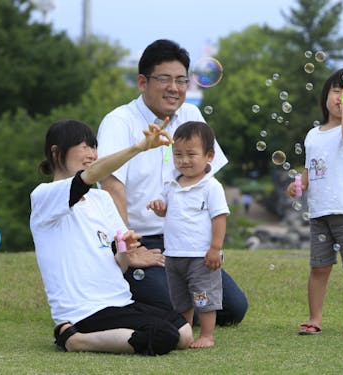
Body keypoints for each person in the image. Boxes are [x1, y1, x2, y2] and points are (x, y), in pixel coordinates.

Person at [96, 39, 248, 325]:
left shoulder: (190, 115)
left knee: (233, 308)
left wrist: (210, 243)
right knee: (175, 307)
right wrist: (129, 247)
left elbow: (206, 179)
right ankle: (117, 285)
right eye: (165, 79)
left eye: (181, 80)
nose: (175, 88)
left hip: (185, 241)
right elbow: (111, 185)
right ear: (143, 82)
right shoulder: (119, 121)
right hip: (140, 239)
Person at [30, 118, 194, 355]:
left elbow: (119, 263)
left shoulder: (101, 199)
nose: (92, 153)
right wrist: (138, 148)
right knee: (163, 337)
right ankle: (73, 339)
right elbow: (90, 175)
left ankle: (82, 338)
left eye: (93, 146)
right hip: (83, 311)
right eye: (83, 146)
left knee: (184, 332)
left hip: (120, 302)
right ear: (56, 153)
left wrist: (127, 255)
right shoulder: (44, 197)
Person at [286, 68, 343, 335]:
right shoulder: (314, 134)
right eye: (336, 91)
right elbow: (311, 167)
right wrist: (299, 185)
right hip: (320, 214)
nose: (342, 96)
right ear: (325, 96)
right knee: (319, 268)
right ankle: (315, 318)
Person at [147, 121, 229, 348]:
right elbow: (167, 211)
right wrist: (159, 208)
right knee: (180, 299)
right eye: (178, 154)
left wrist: (215, 248)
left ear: (209, 156)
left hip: (200, 256)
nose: (183, 160)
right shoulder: (171, 184)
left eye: (191, 154)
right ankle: (184, 333)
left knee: (204, 297)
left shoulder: (211, 187)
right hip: (173, 254)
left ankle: (207, 335)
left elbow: (219, 218)